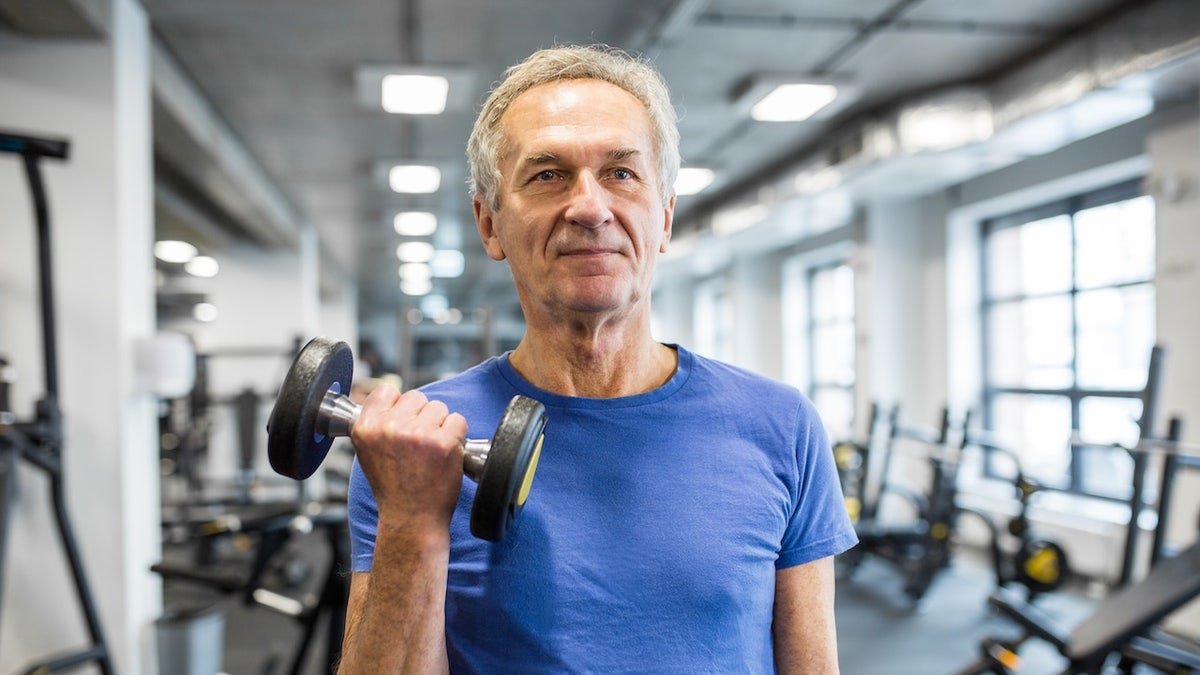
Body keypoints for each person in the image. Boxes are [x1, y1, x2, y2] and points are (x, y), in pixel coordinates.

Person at [341, 44, 858, 673]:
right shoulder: (419, 443)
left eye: (621, 173)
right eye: (547, 174)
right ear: (489, 224)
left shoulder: (781, 424)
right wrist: (412, 525)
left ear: (664, 218)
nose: (589, 207)